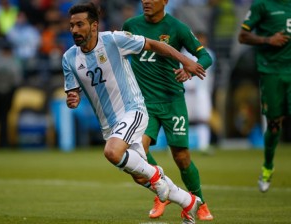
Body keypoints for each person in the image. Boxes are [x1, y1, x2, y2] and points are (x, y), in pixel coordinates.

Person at [63, 2, 206, 223]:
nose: (74, 30)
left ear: (94, 26)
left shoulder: (113, 40)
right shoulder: (69, 58)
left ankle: (157, 174)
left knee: (112, 153)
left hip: (134, 110)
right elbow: (73, 94)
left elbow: (157, 45)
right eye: (71, 25)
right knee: (139, 176)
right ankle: (188, 201)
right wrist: (73, 99)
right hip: (109, 124)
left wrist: (186, 61)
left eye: (79, 24)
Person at [122, 0, 214, 220]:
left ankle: (200, 202)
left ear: (165, 1)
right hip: (143, 104)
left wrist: (190, 71)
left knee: (181, 157)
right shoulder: (130, 25)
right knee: (138, 156)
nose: (146, 1)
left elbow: (205, 57)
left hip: (172, 102)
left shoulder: (177, 28)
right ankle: (160, 192)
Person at [238, 0, 291, 193]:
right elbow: (242, 36)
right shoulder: (262, 4)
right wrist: (268, 40)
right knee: (275, 123)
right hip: (272, 71)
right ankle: (268, 165)